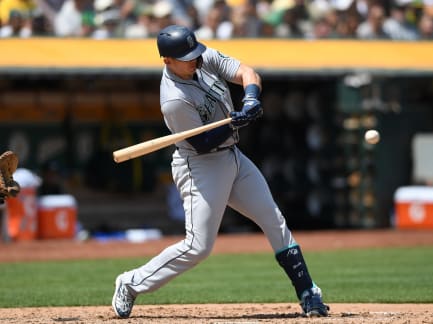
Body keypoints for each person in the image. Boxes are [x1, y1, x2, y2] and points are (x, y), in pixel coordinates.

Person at [111, 24, 329, 319]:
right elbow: (201, 143)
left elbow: (248, 73)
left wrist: (250, 98)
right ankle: (131, 283)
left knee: (273, 219)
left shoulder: (203, 57)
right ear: (167, 61)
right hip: (201, 166)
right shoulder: (174, 100)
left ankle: (308, 292)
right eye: (187, 57)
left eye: (195, 53)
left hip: (232, 156)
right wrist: (235, 123)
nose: (195, 60)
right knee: (198, 247)